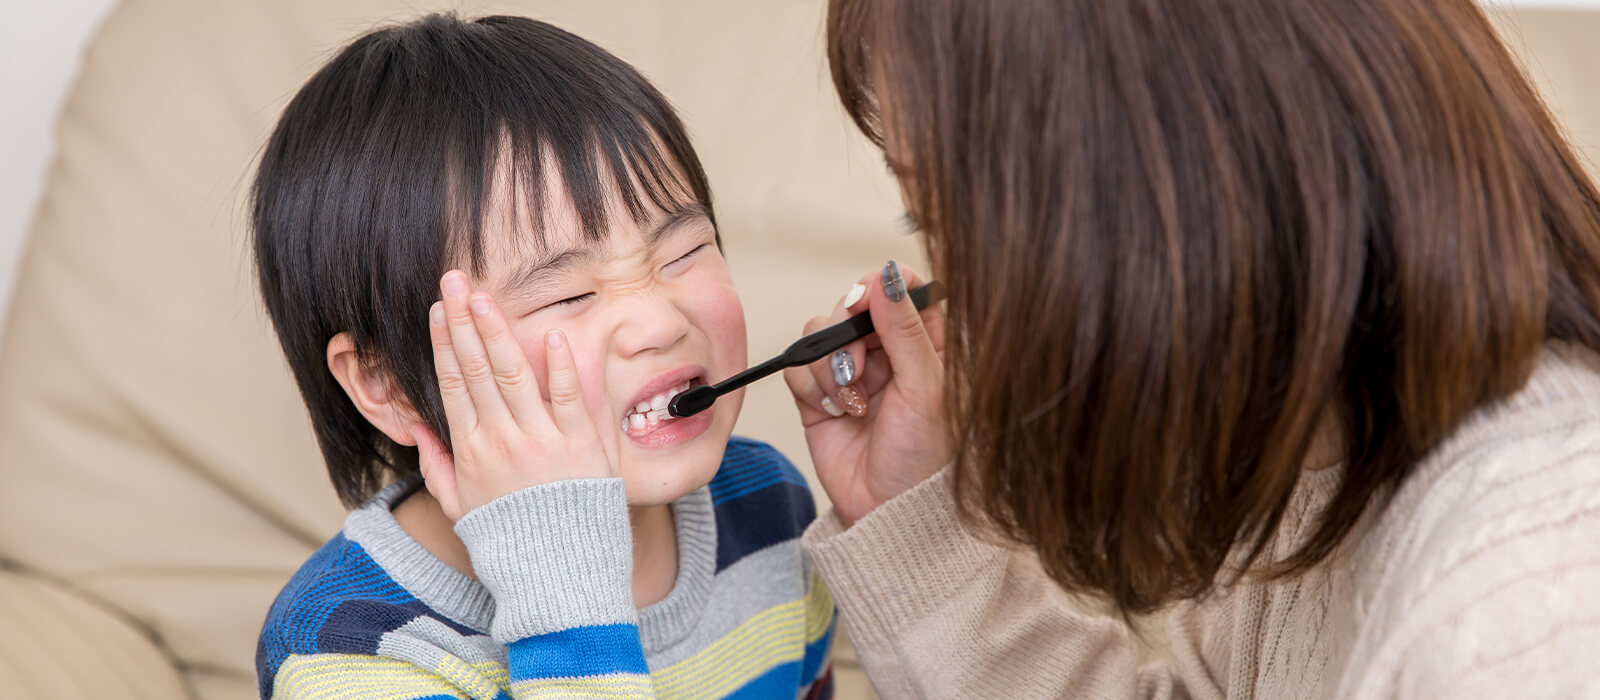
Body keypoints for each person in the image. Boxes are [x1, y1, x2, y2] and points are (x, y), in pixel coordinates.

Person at [788, 0, 1600, 697]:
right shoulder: (1324, 456)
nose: (961, 296)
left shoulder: (1527, 605)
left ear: (1163, 177)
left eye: (951, 220)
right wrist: (916, 524)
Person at [250, 14, 833, 699]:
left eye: (686, 251)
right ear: (388, 384)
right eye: (566, 295)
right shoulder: (348, 650)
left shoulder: (768, 505)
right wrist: (566, 602)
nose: (657, 321)